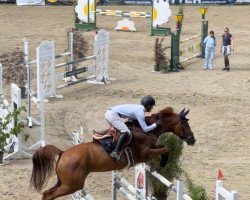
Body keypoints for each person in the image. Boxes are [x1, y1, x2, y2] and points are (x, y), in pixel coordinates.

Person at [105, 95, 162, 161]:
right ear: (148, 106)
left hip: (110, 113)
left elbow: (133, 120)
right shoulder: (140, 112)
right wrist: (155, 124)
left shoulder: (138, 108)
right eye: (152, 106)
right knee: (126, 132)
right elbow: (145, 129)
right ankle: (116, 152)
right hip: (112, 115)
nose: (152, 108)